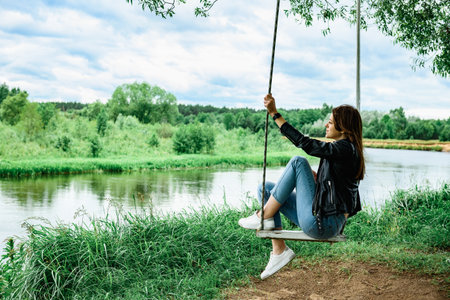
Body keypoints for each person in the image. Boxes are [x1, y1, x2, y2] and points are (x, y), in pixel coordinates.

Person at [239, 94, 365, 280]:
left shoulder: (345, 148)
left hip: (323, 223)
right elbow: (338, 190)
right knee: (264, 189)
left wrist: (275, 114)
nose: (326, 125)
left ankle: (262, 216)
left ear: (344, 128)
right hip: (321, 217)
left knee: (298, 161)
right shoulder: (343, 150)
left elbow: (305, 144)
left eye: (330, 122)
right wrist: (317, 179)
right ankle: (279, 250)